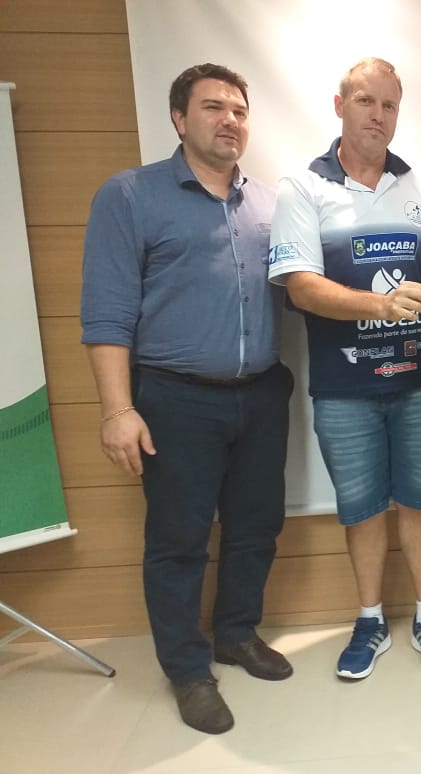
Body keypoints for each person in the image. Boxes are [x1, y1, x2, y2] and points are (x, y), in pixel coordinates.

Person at [81, 63, 293, 735]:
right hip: (175, 400)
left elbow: (302, 289)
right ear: (179, 118)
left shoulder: (270, 205)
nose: (230, 120)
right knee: (178, 541)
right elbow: (107, 313)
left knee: (257, 526)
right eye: (213, 107)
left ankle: (236, 633)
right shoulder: (129, 196)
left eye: (239, 110)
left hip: (262, 394)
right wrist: (118, 410)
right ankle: (188, 670)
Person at [268, 58, 421, 680]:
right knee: (361, 507)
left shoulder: (415, 186)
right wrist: (379, 305)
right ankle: (371, 619)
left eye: (390, 105)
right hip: (345, 387)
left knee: (420, 501)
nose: (378, 116)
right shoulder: (303, 187)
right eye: (366, 102)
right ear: (339, 105)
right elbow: (301, 287)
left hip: (419, 380)